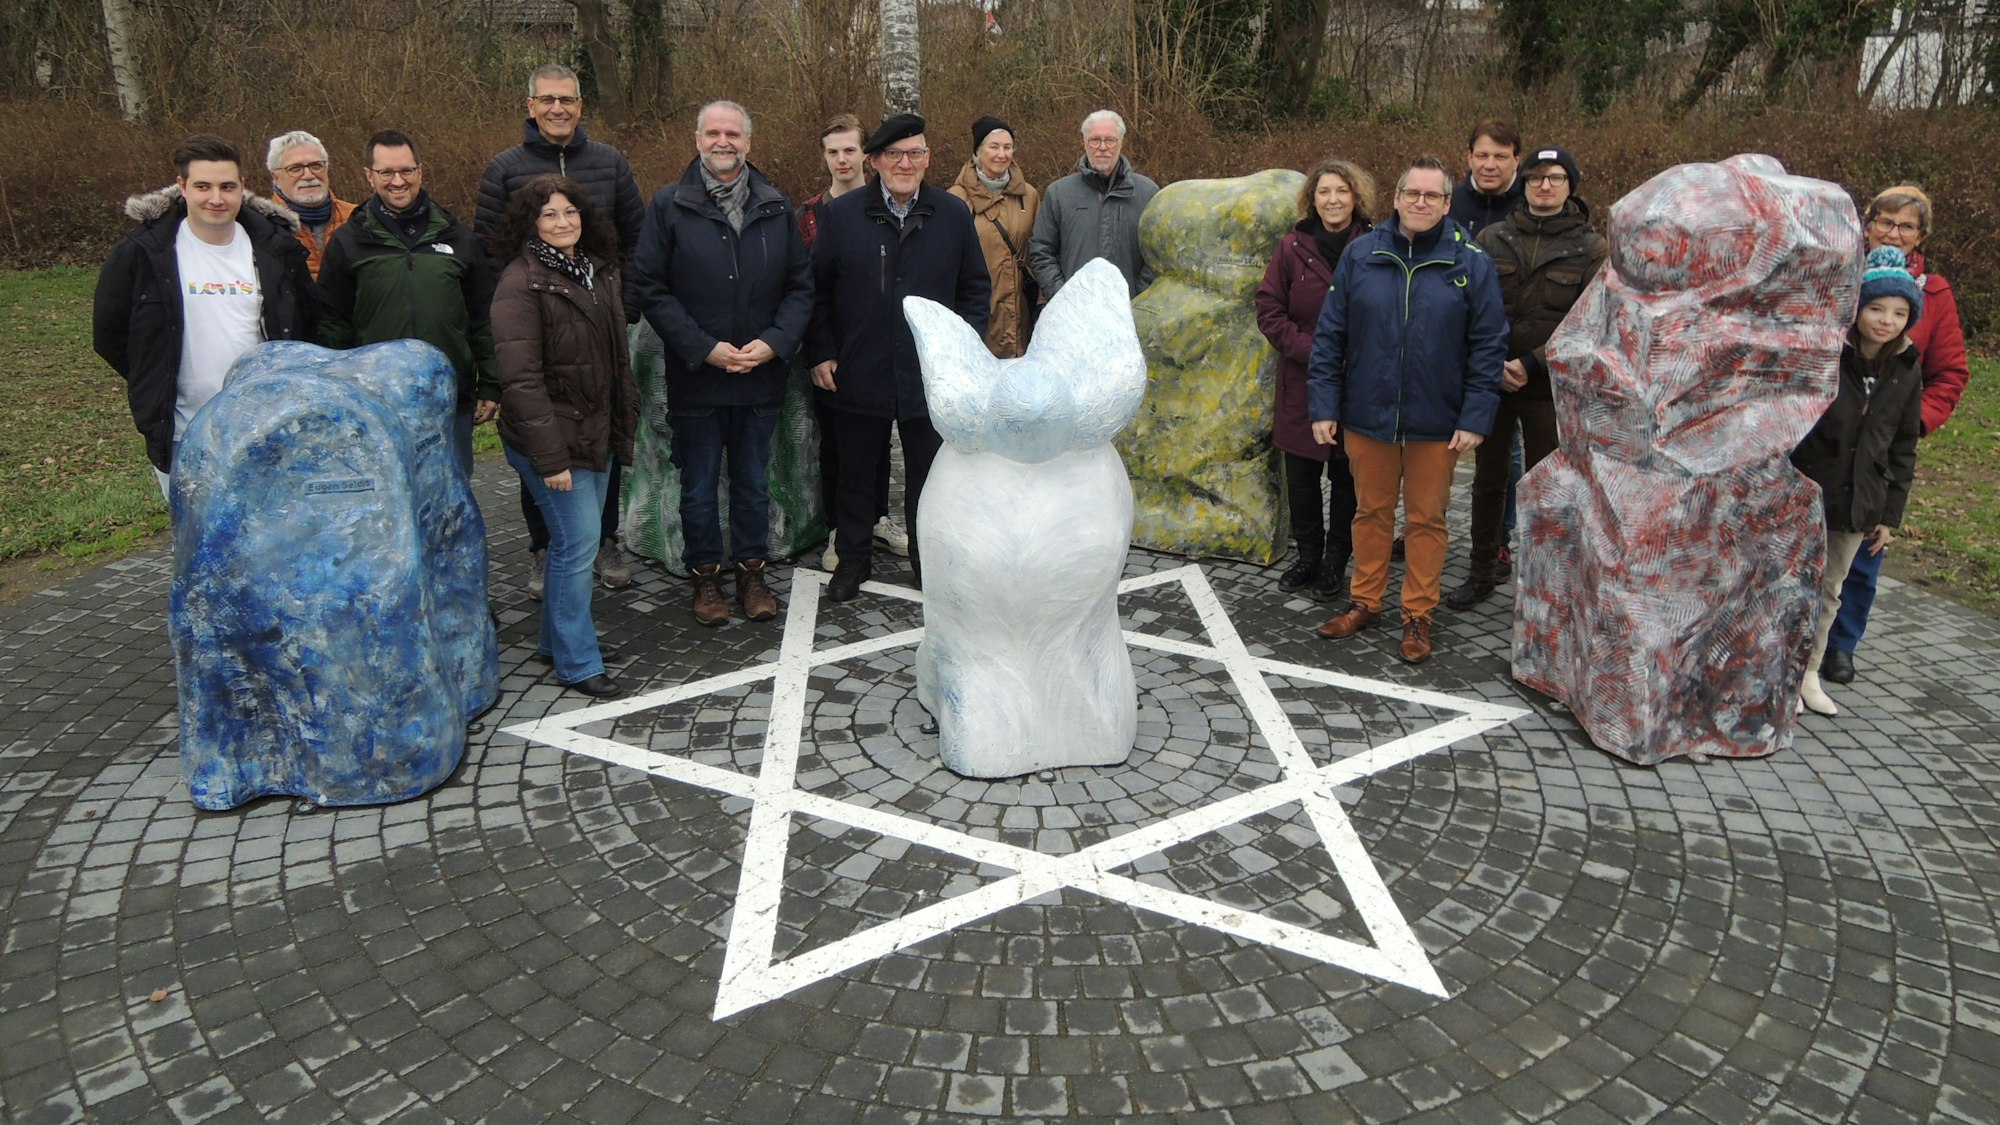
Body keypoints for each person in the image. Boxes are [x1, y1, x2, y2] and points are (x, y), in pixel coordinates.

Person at [1307, 156, 1506, 664]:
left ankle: (1418, 613)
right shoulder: (1361, 256)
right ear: (1395, 198)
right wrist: (1324, 405)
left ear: (1446, 203)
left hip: (1437, 421)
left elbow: (1488, 347)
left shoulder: (1470, 263)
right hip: (1367, 414)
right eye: (1412, 194)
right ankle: (1365, 601)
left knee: (1426, 519)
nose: (1421, 203)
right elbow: (1331, 336)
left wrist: (1474, 417)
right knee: (1369, 512)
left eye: (1432, 196)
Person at [632, 101, 812, 626]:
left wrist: (775, 343)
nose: (723, 141)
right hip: (697, 378)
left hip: (761, 376)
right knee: (699, 485)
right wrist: (703, 347)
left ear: (749, 142)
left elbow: (801, 288)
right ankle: (706, 578)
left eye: (733, 133)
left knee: (754, 482)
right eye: (713, 133)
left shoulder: (778, 208)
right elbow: (650, 287)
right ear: (697, 140)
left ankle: (751, 573)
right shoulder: (668, 206)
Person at [476, 63, 648, 596]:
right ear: (529, 105)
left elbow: (637, 238)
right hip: (540, 328)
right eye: (547, 99)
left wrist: (627, 307)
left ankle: (606, 539)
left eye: (568, 100)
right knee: (544, 439)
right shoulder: (505, 168)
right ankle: (543, 546)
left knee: (607, 431)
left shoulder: (609, 163)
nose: (558, 109)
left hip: (603, 320)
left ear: (580, 105)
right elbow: (487, 252)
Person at [806, 113, 990, 602]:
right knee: (856, 472)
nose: (906, 163)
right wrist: (822, 350)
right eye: (895, 154)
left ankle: (927, 561)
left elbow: (974, 290)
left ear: (929, 159)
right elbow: (817, 292)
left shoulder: (952, 214)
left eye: (917, 153)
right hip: (858, 365)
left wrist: (962, 354)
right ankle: (853, 559)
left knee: (929, 476)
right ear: (875, 161)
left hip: (930, 373)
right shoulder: (843, 217)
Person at [93, 134, 316, 502]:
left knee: (269, 543)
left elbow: (308, 324)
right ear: (182, 187)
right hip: (184, 431)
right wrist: (157, 376)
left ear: (242, 187)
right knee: (199, 549)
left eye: (227, 186)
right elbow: (110, 333)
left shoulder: (278, 250)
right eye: (203, 186)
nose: (216, 198)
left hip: (267, 428)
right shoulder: (143, 253)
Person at [489, 175, 638, 700]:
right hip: (551, 442)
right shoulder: (520, 284)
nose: (562, 222)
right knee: (578, 545)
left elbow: (616, 360)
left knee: (571, 543)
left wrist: (623, 426)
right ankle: (577, 662)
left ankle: (556, 642)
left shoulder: (596, 272)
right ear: (530, 223)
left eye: (570, 212)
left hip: (593, 433)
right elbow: (521, 381)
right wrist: (550, 459)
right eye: (549, 214)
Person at [1822, 184, 1972, 685]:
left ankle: (1841, 647)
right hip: (1830, 442)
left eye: (1907, 225)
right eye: (1886, 221)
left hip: (1881, 446)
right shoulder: (1841, 277)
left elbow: (1950, 372)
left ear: (1921, 235)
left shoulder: (1934, 293)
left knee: (1863, 553)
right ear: (1868, 226)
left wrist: (1907, 422)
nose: (1895, 232)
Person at [1448, 145, 1606, 611]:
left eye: (1555, 178)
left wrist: (1532, 363)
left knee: (1549, 488)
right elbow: (1468, 306)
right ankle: (1481, 570)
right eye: (1536, 177)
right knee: (1488, 481)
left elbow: (1592, 322)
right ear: (1525, 182)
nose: (1544, 185)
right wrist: (1493, 363)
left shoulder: (1591, 247)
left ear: (1569, 186)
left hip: (1549, 387)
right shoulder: (1494, 238)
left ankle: (1545, 586)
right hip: (1492, 380)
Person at [1790, 246, 1925, 716]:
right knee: (1789, 585)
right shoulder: (1829, 354)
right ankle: (1775, 671)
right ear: (1857, 308)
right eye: (1876, 308)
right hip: (1808, 489)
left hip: (1858, 500)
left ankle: (1809, 672)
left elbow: (1903, 444)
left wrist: (1890, 513)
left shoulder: (1908, 369)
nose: (1886, 320)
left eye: (1899, 312)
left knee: (1830, 589)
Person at [319, 130, 499, 479]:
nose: (397, 181)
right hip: (376, 401)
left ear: (421, 171)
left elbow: (482, 316)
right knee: (390, 494)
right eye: (386, 172)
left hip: (449, 398)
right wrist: (337, 393)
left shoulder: (457, 236)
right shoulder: (348, 242)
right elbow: (333, 324)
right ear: (369, 175)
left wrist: (490, 384)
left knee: (452, 493)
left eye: (406, 170)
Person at [1254, 156, 1377, 603]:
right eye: (1324, 191)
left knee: (1347, 478)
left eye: (1342, 191)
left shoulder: (1374, 246)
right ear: (1312, 199)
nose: (1333, 199)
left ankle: (1335, 564)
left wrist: (1351, 357)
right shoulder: (1292, 247)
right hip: (1301, 383)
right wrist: (1312, 350)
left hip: (1355, 384)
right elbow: (1269, 309)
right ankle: (1308, 556)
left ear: (1356, 196)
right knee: (1301, 479)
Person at [799, 113, 908, 572]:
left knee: (880, 441)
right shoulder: (808, 215)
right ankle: (840, 528)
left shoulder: (887, 204)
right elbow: (806, 286)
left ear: (866, 154)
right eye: (832, 151)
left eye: (849, 150)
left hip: (881, 347)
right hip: (833, 349)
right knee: (837, 445)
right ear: (824, 156)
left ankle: (878, 517)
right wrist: (818, 347)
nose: (842, 159)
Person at [1029, 109, 1160, 298]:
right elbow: (1041, 250)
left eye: (1110, 140)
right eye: (1095, 140)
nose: (1102, 147)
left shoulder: (1148, 193)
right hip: (1074, 315)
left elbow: (1156, 254)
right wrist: (1063, 296)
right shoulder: (1059, 193)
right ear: (1085, 143)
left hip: (1130, 314)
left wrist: (1137, 296)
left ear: (1121, 143)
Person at [949, 115, 1042, 358]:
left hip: (1022, 321)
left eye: (1007, 147)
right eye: (994, 147)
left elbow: (1039, 252)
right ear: (977, 152)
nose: (1001, 154)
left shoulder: (1029, 196)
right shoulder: (955, 200)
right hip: (977, 319)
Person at [265, 130, 354, 281]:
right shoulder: (263, 228)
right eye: (295, 169)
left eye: (316, 165)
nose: (308, 175)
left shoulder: (358, 219)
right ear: (276, 178)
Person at [1448, 119, 1524, 237]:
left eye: (1500, 157)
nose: (1490, 166)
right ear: (1470, 158)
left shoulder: (1530, 207)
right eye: (1482, 156)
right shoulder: (1448, 204)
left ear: (1516, 161)